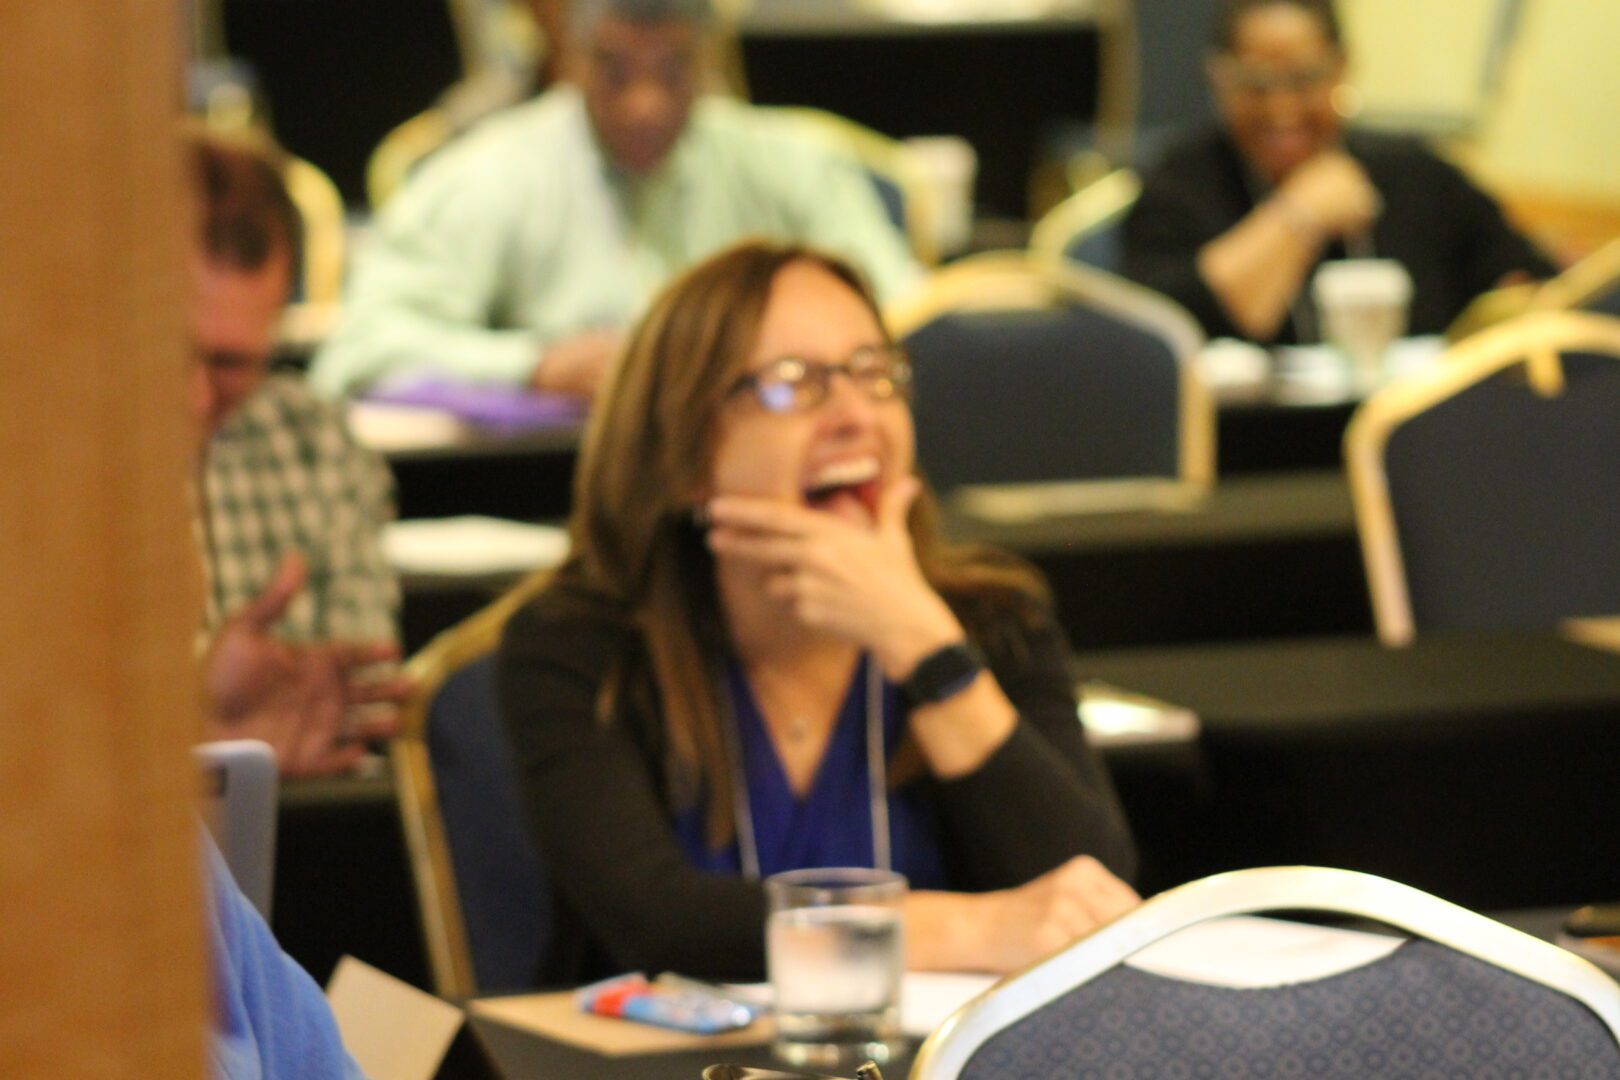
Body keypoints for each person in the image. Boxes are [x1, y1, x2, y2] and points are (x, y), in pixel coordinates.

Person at [497, 241, 1138, 984]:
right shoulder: (578, 645)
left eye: (874, 374)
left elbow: (1091, 897)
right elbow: (659, 923)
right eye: (793, 383)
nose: (854, 416)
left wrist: (923, 646)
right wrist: (976, 927)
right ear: (683, 456)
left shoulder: (993, 619)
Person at [308, 0, 921, 401]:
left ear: (709, 60)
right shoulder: (487, 175)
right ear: (569, 59)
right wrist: (533, 365)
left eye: (673, 70)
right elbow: (360, 349)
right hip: (556, 491)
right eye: (615, 71)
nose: (644, 105)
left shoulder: (789, 166)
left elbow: (905, 323)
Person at [1122, 0, 1556, 346]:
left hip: (1415, 438)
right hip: (1247, 447)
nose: (1282, 109)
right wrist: (1298, 211)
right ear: (1218, 78)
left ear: (1341, 66)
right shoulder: (1177, 183)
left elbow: (1524, 279)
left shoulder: (1415, 173)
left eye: (1304, 79)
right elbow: (1167, 328)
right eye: (1255, 83)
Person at [188, 131, 409, 775]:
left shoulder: (315, 444)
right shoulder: (41, 456)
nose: (197, 396)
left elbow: (354, 693)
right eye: (169, 351)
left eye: (233, 365)